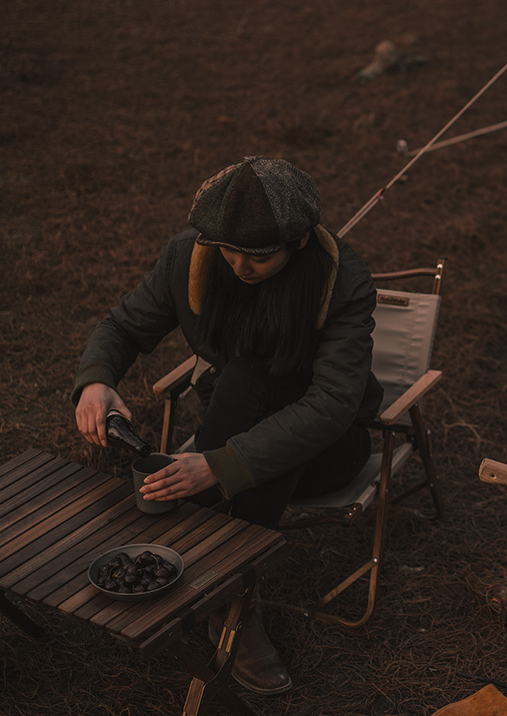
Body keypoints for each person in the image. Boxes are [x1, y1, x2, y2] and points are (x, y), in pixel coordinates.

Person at [72, 156, 383, 695]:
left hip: (329, 449)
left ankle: (227, 595)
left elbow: (332, 405)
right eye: (228, 250)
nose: (240, 266)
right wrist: (96, 381)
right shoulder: (186, 260)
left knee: (267, 399)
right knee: (242, 376)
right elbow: (122, 326)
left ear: (298, 242)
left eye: (259, 256)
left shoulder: (341, 283)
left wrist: (219, 465)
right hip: (237, 415)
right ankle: (219, 581)